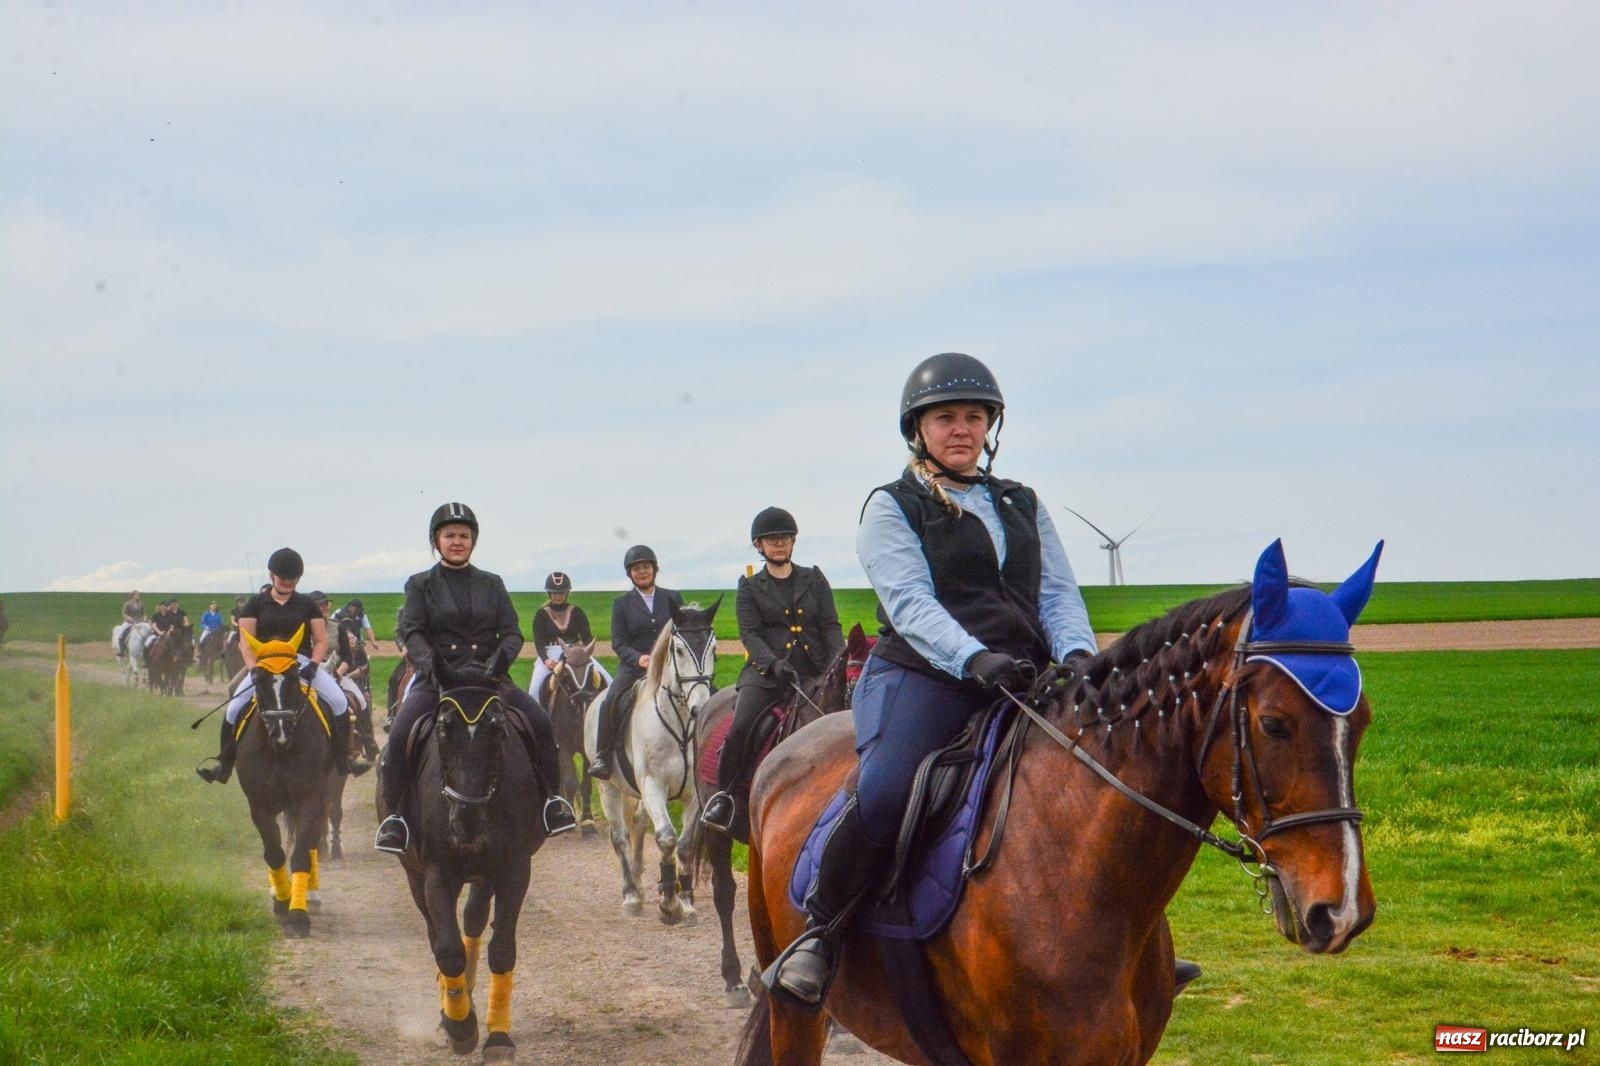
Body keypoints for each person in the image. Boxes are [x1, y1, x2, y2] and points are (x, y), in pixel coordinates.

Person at [765, 352, 1111, 1008]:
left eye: (973, 417)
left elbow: (1059, 591)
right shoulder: (892, 506)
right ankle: (822, 933)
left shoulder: (1022, 503)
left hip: (1027, 679)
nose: (961, 429)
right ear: (917, 429)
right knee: (890, 788)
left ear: (991, 426)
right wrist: (974, 657)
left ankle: (1124, 951)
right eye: (945, 417)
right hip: (926, 678)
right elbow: (910, 602)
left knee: (1100, 791)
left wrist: (1077, 656)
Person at [374, 503, 576, 852]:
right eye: (449, 535)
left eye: (464, 535)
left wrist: (499, 664)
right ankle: (395, 818)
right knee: (401, 734)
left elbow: (512, 633)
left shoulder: (492, 583)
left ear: (473, 541)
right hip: (439, 680)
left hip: (489, 679)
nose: (457, 541)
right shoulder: (420, 584)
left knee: (540, 723)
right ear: (436, 541)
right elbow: (413, 632)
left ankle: (552, 803)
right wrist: (432, 668)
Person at [702, 508, 844, 833]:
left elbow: (829, 625)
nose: (778, 543)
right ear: (759, 545)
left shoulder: (815, 578)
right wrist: (773, 663)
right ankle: (725, 798)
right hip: (766, 675)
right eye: (771, 539)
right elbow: (750, 634)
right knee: (741, 727)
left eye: (784, 538)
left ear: (793, 542)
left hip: (815, 672)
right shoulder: (750, 587)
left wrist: (836, 662)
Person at [196, 548, 360, 784]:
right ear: (272, 575)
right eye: (283, 578)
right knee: (234, 708)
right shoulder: (254, 605)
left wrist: (314, 665)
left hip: (300, 662)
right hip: (263, 664)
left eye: (293, 579)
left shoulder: (307, 605)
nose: (288, 583)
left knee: (338, 700)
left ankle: (345, 757)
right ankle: (223, 763)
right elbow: (246, 642)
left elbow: (321, 640)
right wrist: (253, 669)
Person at [587, 545, 684, 781]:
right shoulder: (621, 604)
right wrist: (639, 658)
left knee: (704, 693)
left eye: (646, 567)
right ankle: (602, 754)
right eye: (636, 568)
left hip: (670, 668)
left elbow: (683, 632)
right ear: (630, 574)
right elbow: (618, 643)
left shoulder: (673, 597)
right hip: (635, 669)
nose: (642, 572)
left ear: (654, 569)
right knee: (610, 699)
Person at [527, 572, 612, 708]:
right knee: (534, 690)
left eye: (561, 592)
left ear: (567, 593)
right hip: (550, 654)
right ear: (549, 593)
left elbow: (587, 638)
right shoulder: (541, 614)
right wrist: (546, 660)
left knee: (609, 680)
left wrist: (585, 652)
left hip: (576, 653)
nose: (558, 596)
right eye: (555, 593)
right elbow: (539, 642)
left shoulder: (577, 612)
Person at [114, 589, 145, 658]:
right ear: (133, 596)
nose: (138, 596)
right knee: (120, 634)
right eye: (137, 594)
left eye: (139, 595)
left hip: (139, 622)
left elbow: (143, 613)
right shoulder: (127, 603)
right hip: (129, 622)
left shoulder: (141, 604)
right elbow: (124, 613)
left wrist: (145, 617)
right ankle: (122, 651)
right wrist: (128, 618)